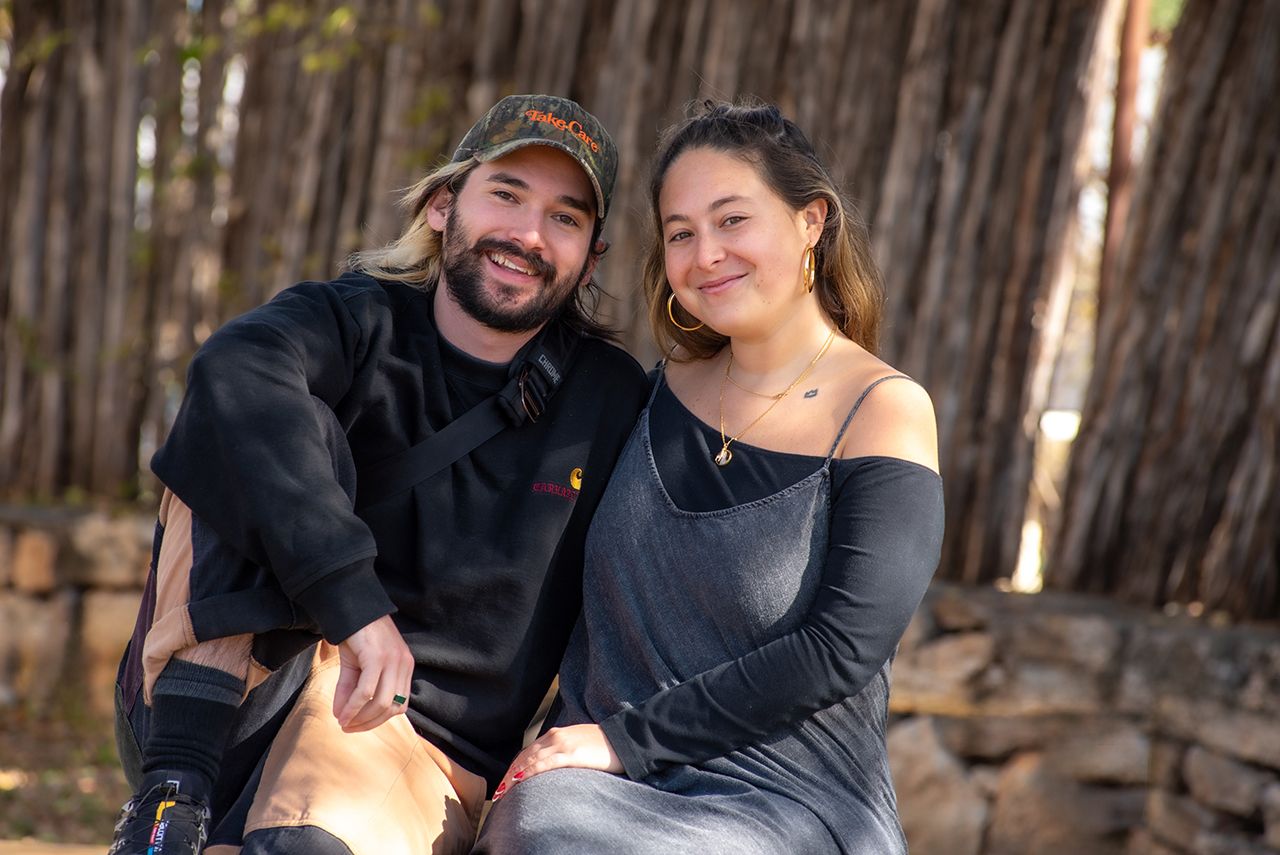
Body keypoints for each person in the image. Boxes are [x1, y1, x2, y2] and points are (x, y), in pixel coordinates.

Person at [108, 94, 649, 855]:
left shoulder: (612, 400)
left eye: (565, 217)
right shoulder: (358, 318)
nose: (528, 235)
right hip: (236, 696)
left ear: (591, 257)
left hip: (411, 744)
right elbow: (234, 371)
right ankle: (169, 803)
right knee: (256, 417)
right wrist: (356, 608)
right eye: (506, 194)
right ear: (442, 205)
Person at [472, 101, 945, 854]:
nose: (706, 254)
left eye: (732, 220)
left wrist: (627, 739)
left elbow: (841, 649)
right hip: (592, 793)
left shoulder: (883, 411)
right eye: (681, 233)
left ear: (811, 221)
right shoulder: (650, 393)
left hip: (788, 801)